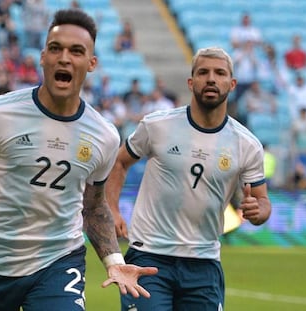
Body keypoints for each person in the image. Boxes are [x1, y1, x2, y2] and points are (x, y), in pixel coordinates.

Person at [0, 9, 157, 311]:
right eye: (55, 48)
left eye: (76, 51)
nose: (64, 58)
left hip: (59, 261)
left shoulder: (104, 135)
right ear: (42, 57)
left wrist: (114, 259)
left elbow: (93, 204)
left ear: (91, 64)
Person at [106, 47, 272, 311]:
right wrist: (112, 209)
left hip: (204, 262)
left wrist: (258, 210)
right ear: (191, 81)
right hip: (149, 255)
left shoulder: (247, 144)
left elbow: (263, 203)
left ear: (232, 84)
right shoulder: (157, 125)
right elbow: (119, 161)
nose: (211, 79)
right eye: (203, 72)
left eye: (219, 73)